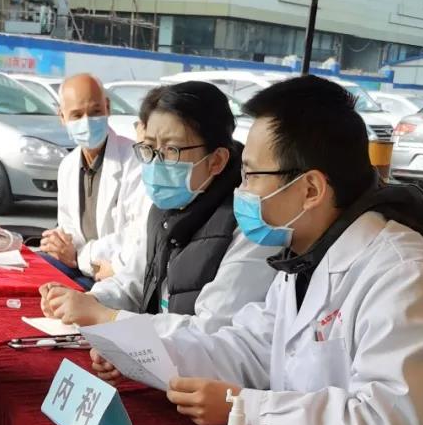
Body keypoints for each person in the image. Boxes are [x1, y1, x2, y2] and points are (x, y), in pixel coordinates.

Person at [94, 75, 423, 425]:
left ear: (310, 189)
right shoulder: (305, 260)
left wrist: (246, 407)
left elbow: (384, 423)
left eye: (251, 175)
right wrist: (131, 345)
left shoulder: (406, 276)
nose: (241, 191)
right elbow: (243, 348)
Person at [41, 81, 279, 336]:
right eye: (149, 147)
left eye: (171, 149)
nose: (156, 162)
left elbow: (211, 331)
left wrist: (109, 318)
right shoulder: (164, 210)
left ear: (216, 161)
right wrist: (90, 301)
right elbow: (133, 282)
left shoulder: (248, 225)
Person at [39, 74, 146, 288]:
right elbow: (68, 230)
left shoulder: (135, 160)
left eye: (95, 112)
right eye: (77, 115)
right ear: (62, 117)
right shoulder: (68, 166)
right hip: (81, 268)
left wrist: (79, 257)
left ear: (108, 107)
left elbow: (136, 237)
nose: (87, 121)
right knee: (37, 268)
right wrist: (57, 244)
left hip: (115, 275)